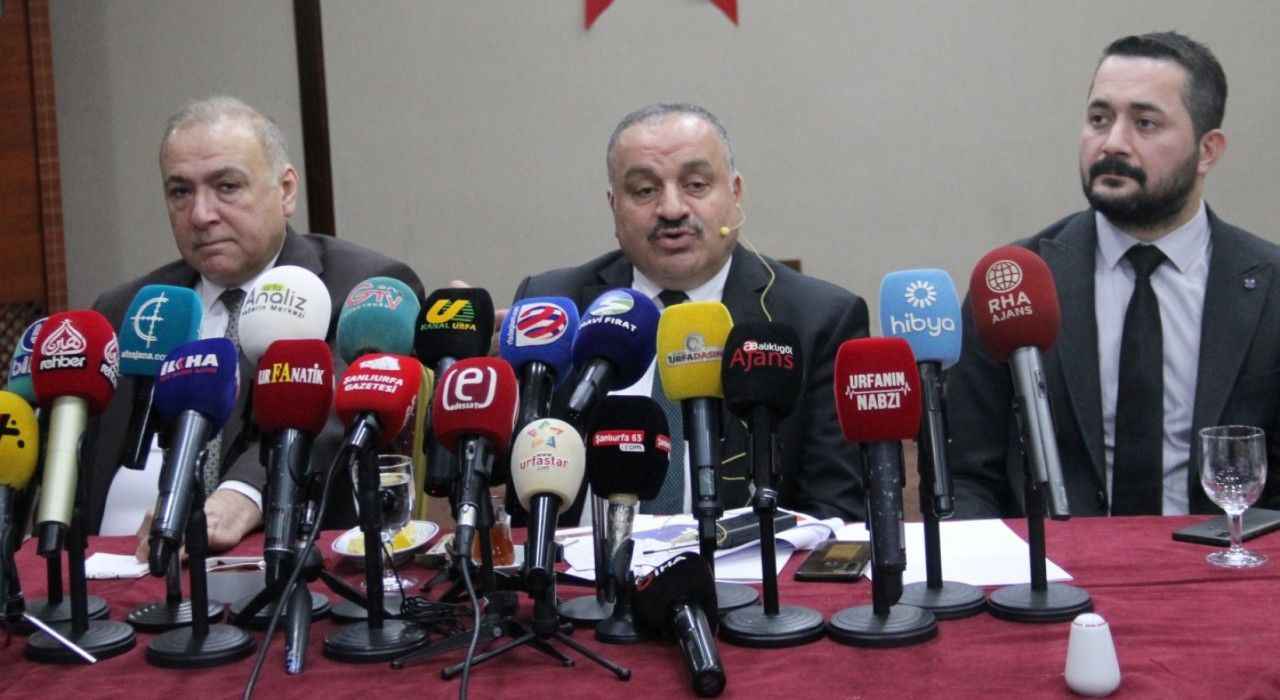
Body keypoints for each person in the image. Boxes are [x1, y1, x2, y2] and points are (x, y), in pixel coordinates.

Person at [947, 32, 1280, 518]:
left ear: (1207, 151)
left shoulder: (1270, 287)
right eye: (1099, 119)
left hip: (1227, 556)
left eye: (1145, 123)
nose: (1113, 143)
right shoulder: (1015, 283)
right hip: (1054, 561)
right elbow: (966, 476)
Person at [83, 96, 424, 554]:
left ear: (286, 191)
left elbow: (331, 411)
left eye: (226, 186)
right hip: (106, 567)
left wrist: (238, 497)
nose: (201, 215)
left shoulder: (361, 288)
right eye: (180, 192)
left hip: (259, 562)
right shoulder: (128, 309)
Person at [513, 103, 868, 523]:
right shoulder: (553, 305)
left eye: (696, 185)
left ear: (735, 194)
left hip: (748, 561)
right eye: (644, 190)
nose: (671, 209)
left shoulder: (818, 320)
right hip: (581, 561)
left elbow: (835, 513)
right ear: (614, 205)